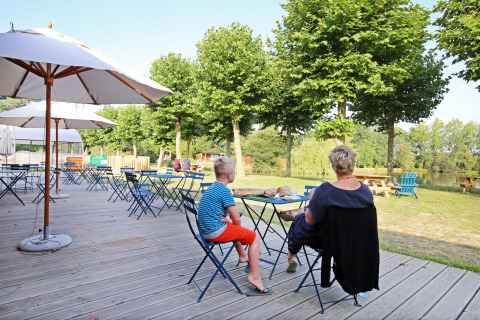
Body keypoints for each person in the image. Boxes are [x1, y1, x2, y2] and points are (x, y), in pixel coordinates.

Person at [280, 145, 374, 273]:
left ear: (333, 166)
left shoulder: (325, 189)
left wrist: (312, 199)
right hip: (355, 240)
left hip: (329, 240)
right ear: (353, 164)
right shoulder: (365, 191)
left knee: (299, 221)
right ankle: (302, 211)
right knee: (308, 215)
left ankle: (291, 258)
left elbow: (310, 222)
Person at [198, 156, 272, 296]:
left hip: (206, 231)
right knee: (254, 237)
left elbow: (218, 214)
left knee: (232, 226)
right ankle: (254, 277)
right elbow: (236, 217)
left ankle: (243, 256)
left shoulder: (212, 187)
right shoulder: (225, 191)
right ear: (229, 175)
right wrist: (237, 228)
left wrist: (231, 225)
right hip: (214, 232)